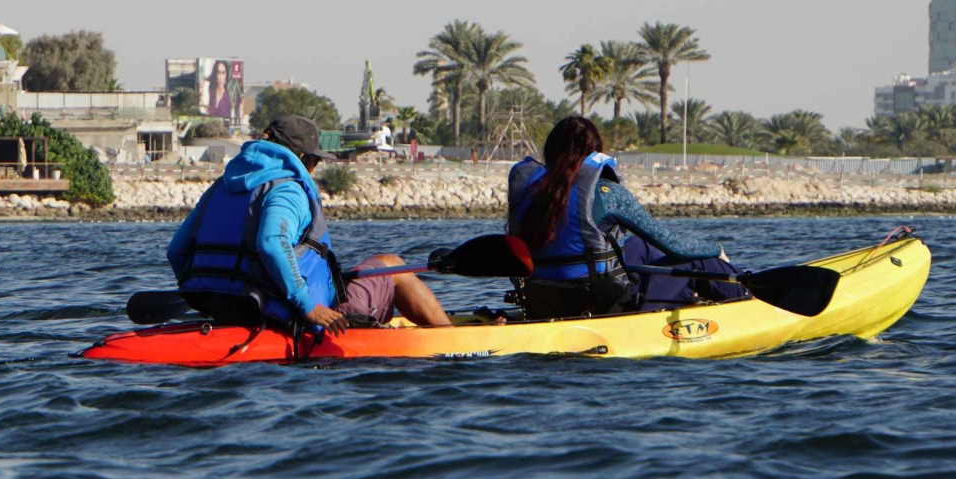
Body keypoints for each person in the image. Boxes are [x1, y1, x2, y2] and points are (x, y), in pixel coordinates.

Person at [168, 113, 451, 332]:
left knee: (380, 262)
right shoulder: (287, 188)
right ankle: (452, 338)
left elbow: (176, 251)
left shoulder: (222, 187)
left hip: (228, 305)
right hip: (303, 314)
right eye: (313, 162)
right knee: (394, 268)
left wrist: (209, 292)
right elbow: (271, 244)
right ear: (300, 158)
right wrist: (308, 307)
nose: (312, 170)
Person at [506, 116, 744, 319]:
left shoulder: (530, 191)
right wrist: (716, 248)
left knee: (639, 246)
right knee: (699, 261)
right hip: (601, 305)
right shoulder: (606, 192)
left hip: (544, 300)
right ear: (594, 152)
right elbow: (675, 246)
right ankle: (752, 301)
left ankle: (686, 296)